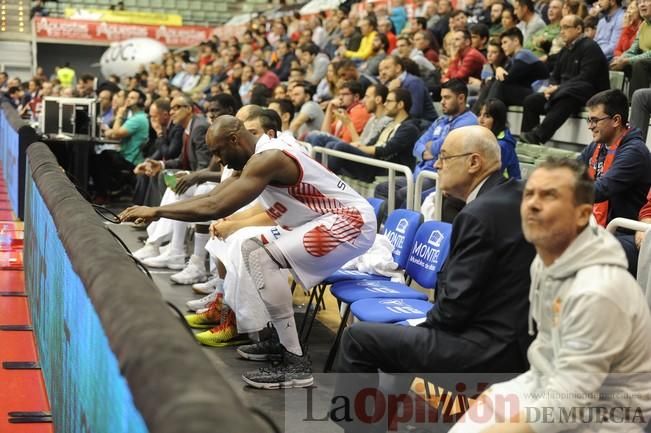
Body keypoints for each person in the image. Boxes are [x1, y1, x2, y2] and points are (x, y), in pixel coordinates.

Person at [119, 114, 377, 389]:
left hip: (350, 221)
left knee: (259, 254)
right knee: (249, 248)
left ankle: (296, 364)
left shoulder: (269, 158)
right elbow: (211, 196)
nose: (218, 160)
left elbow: (215, 207)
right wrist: (159, 212)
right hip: (319, 220)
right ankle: (278, 338)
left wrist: (157, 211)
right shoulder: (256, 156)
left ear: (234, 139)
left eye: (219, 151)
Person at [332, 125, 536, 433]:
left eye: (443, 157)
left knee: (358, 339)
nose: (436, 165)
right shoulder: (514, 195)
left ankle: (357, 428)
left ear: (474, 162)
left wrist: (423, 328)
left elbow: (453, 307)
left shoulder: (480, 213)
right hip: (519, 343)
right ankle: (379, 423)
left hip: (487, 351)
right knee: (397, 345)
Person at [450, 157, 651, 433]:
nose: (532, 203)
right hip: (550, 394)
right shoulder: (545, 262)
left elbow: (567, 404)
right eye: (529, 193)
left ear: (582, 214)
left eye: (550, 195)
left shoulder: (598, 292)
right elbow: (544, 362)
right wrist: (494, 400)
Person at [578, 89, 651, 273]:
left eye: (595, 120)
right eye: (589, 120)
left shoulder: (634, 151)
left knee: (589, 251)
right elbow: (569, 171)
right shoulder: (597, 146)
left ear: (616, 120)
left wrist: (560, 192)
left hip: (628, 234)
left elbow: (601, 189)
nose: (590, 126)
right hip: (600, 227)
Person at [375, 79, 477, 209]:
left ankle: (396, 227)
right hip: (420, 173)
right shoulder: (441, 120)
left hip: (438, 177)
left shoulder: (468, 121)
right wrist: (423, 152)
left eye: (447, 98)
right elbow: (418, 145)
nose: (442, 102)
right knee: (383, 188)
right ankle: (384, 225)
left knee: (402, 195)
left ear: (461, 98)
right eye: (441, 97)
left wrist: (432, 146)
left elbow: (444, 147)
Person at [520, 15, 609, 145]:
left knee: (568, 95)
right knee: (531, 101)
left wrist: (559, 88)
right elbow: (555, 75)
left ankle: (538, 135)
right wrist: (552, 88)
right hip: (563, 91)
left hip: (588, 93)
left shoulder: (591, 47)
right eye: (560, 28)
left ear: (578, 28)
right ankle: (527, 141)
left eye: (566, 27)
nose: (561, 31)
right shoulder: (565, 50)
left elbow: (586, 77)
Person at [322, 88, 421, 181]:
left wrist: (356, 147)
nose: (385, 104)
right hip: (373, 162)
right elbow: (370, 144)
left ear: (400, 104)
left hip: (385, 168)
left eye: (389, 101)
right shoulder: (389, 123)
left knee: (341, 147)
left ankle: (324, 181)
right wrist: (357, 146)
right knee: (330, 145)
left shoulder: (409, 128)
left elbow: (386, 150)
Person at [93, 89, 149, 203]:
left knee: (100, 157)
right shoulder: (134, 117)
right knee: (101, 155)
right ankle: (105, 192)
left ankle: (103, 194)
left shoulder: (137, 119)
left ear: (141, 101)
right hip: (126, 155)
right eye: (128, 97)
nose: (128, 100)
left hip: (131, 159)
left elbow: (115, 134)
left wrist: (119, 114)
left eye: (132, 98)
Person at [482, 27, 548, 107]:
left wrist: (499, 69)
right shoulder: (513, 58)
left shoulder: (524, 54)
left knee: (500, 85)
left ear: (516, 41)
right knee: (492, 83)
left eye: (505, 42)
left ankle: (487, 112)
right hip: (529, 91)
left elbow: (508, 79)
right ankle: (482, 113)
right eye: (502, 43)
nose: (502, 46)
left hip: (540, 93)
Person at [610, 0, 651, 97]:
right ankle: (615, 104)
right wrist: (621, 59)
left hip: (645, 63)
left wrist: (628, 60)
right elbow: (633, 50)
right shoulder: (643, 25)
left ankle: (635, 104)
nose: (642, 4)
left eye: (646, 1)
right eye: (640, 2)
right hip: (645, 62)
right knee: (616, 64)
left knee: (640, 64)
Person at [379, 55, 438, 121]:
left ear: (398, 68)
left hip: (423, 125)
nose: (383, 73)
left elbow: (415, 113)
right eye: (380, 70)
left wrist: (392, 91)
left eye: (387, 68)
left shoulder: (413, 82)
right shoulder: (390, 85)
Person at [477, 98, 521, 179]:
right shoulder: (483, 138)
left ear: (497, 120)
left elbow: (487, 176)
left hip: (506, 188)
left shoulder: (502, 145)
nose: (480, 120)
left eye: (487, 116)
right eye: (479, 115)